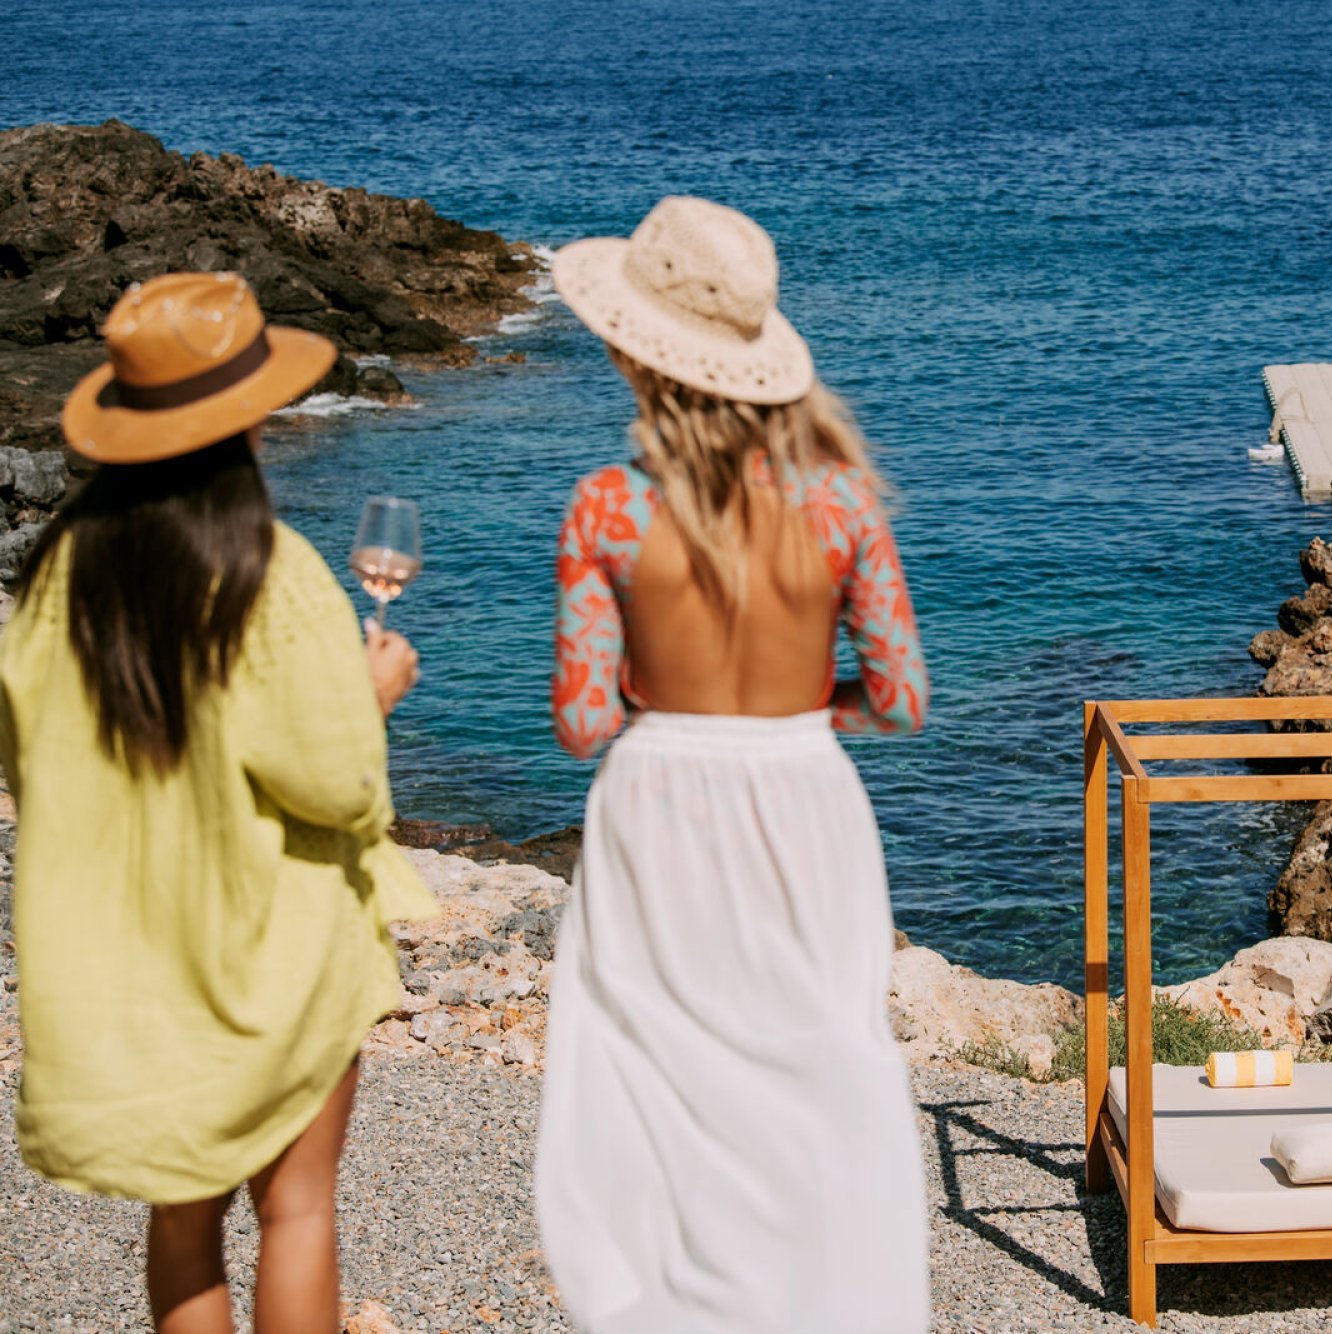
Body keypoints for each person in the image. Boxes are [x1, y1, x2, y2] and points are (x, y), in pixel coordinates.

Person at [0, 272, 437, 1333]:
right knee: (296, 1210)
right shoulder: (265, 570)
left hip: (136, 961)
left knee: (184, 1225)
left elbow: (29, 765)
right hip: (272, 956)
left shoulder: (58, 575)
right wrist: (372, 694)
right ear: (248, 418)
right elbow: (335, 785)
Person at [535, 197, 931, 1331]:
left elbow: (581, 722)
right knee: (821, 1054)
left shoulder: (607, 508)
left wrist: (667, 707)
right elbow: (901, 697)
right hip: (804, 792)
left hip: (657, 793)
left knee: (657, 1072)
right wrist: (805, 713)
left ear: (638, 355)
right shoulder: (841, 501)